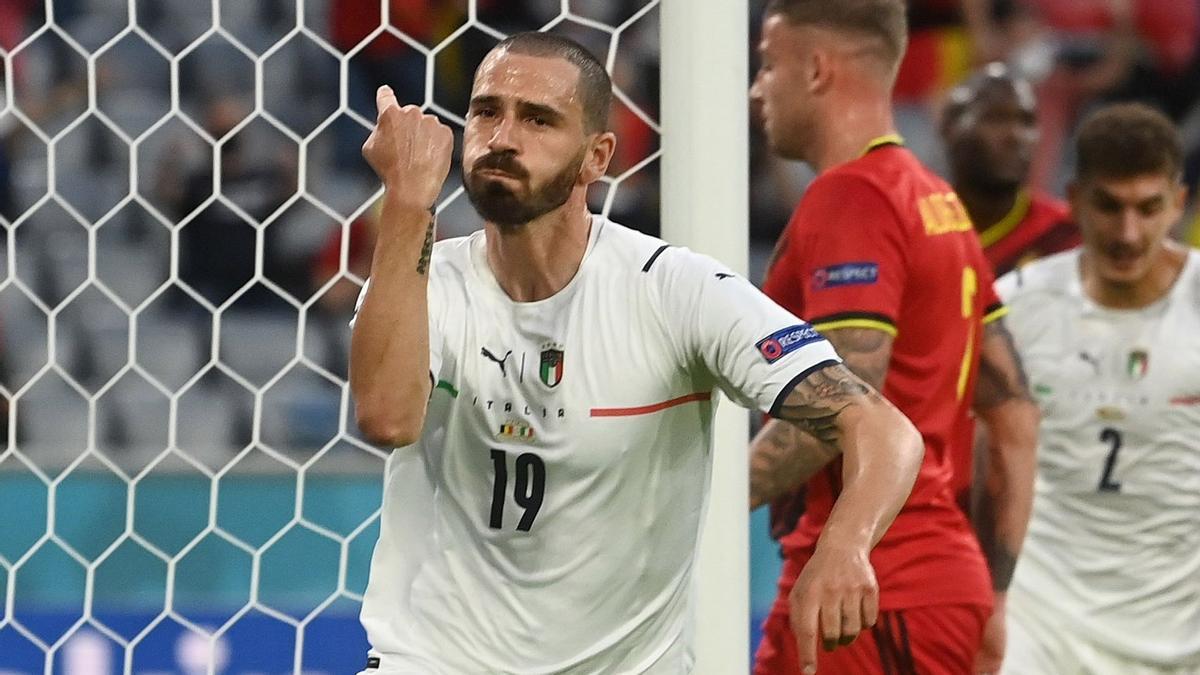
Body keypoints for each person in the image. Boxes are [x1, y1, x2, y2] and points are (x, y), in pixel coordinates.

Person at [349, 32, 924, 674]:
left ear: (598, 157)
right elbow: (387, 418)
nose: (503, 136)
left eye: (538, 119)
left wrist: (845, 545)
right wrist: (406, 201)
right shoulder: (422, 278)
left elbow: (882, 427)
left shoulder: (673, 291)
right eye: (487, 110)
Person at [748, 2, 1039, 673]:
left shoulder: (852, 199)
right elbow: (1016, 414)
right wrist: (992, 589)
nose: (758, 87)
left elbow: (839, 405)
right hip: (934, 582)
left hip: (866, 588)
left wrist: (696, 496)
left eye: (769, 64)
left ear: (817, 69)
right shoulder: (938, 202)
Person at [998, 103, 1200, 674]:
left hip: (1178, 630)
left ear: (1178, 204)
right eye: (1109, 206)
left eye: (1148, 208)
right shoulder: (1015, 303)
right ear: (1075, 198)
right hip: (1040, 621)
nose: (1128, 233)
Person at [942, 62, 1079, 278]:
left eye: (1026, 122)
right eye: (995, 119)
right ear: (949, 129)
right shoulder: (911, 227)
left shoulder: (1065, 233)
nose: (1015, 136)